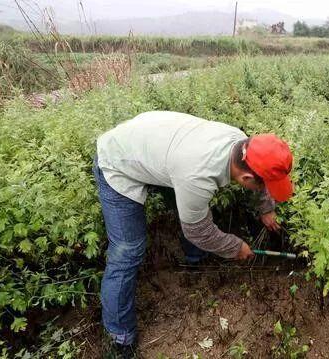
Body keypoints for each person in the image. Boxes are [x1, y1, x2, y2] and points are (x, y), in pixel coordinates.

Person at [92, 111, 294, 358]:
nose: (267, 190)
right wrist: (234, 247)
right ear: (247, 177)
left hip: (157, 144)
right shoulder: (196, 175)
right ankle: (119, 338)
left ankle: (195, 260)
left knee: (192, 207)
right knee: (128, 251)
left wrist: (266, 208)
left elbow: (259, 176)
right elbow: (198, 230)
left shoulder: (239, 142)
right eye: (265, 186)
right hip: (118, 160)